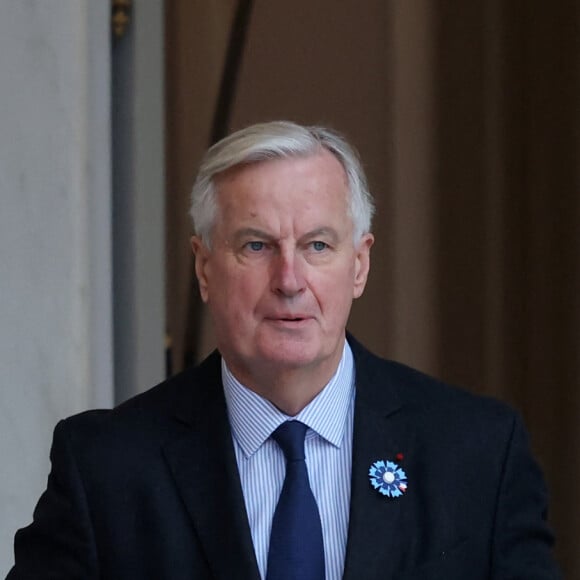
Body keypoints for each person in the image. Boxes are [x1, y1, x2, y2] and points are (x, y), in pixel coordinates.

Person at [8, 121, 560, 579]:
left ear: (360, 265)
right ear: (204, 268)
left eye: (317, 245)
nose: (289, 279)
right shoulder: (106, 468)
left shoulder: (477, 454)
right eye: (256, 245)